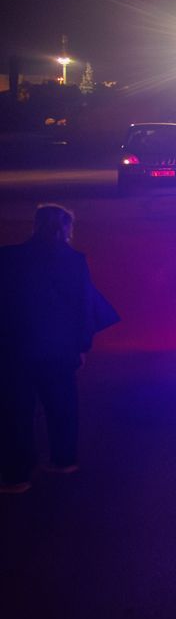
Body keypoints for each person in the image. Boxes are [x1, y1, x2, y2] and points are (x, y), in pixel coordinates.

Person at [1, 205, 117, 493]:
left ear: (35, 225)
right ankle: (63, 460)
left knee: (16, 411)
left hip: (18, 345)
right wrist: (81, 345)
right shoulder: (74, 261)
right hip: (59, 346)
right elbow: (82, 307)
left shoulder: (8, 257)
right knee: (62, 405)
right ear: (67, 228)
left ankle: (17, 475)